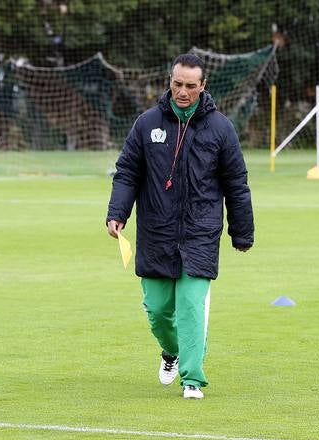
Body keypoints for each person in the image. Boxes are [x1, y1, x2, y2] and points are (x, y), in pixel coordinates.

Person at [107, 53, 254, 399]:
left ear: (203, 86)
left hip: (200, 232)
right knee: (158, 310)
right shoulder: (146, 124)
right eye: (177, 84)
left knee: (190, 305)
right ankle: (171, 353)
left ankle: (192, 378)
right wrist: (118, 213)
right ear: (169, 81)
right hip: (156, 232)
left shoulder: (221, 128)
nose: (183, 91)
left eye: (190, 86)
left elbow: (236, 183)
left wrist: (242, 232)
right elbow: (127, 172)